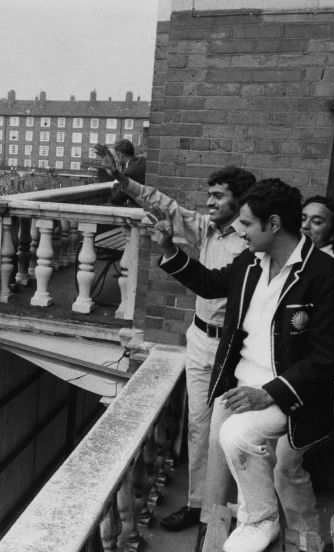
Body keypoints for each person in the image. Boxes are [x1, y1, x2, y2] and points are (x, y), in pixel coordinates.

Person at [159, 179, 334, 552]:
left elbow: (331, 357)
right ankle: (251, 519)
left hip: (290, 394)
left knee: (241, 439)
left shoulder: (330, 277)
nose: (241, 231)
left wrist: (269, 394)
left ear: (275, 224)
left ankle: (264, 521)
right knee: (228, 447)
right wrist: (169, 250)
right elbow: (209, 282)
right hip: (239, 386)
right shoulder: (250, 262)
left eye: (248, 224)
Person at [98, 149, 256, 534]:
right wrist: (127, 185)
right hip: (200, 338)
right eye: (210, 195)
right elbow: (167, 207)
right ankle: (200, 506)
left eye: (218, 196)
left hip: (234, 349)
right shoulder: (206, 228)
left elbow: (210, 281)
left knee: (232, 431)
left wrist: (170, 251)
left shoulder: (250, 243)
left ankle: (229, 509)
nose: (209, 202)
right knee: (199, 426)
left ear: (239, 202)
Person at [300, 195, 334, 260]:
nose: (304, 226)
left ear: (333, 234)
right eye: (302, 219)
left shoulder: (330, 265)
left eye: (316, 222)